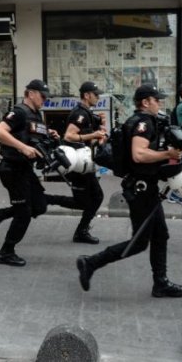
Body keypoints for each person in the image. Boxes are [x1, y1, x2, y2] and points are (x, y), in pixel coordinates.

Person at [77, 84, 182, 298]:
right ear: (146, 102)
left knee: (160, 235)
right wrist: (168, 154)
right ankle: (90, 263)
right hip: (141, 189)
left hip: (146, 186)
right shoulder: (143, 123)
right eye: (157, 99)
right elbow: (139, 155)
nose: (160, 103)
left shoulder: (141, 121)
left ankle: (160, 282)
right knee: (139, 243)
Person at [0, 79, 59, 267]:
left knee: (40, 206)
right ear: (31, 93)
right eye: (43, 96)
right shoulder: (18, 112)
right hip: (12, 168)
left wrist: (49, 133)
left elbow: (32, 136)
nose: (45, 100)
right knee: (24, 213)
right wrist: (22, 147)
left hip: (25, 169)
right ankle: (6, 252)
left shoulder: (36, 115)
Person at [45, 81, 107, 244]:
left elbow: (92, 138)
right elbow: (69, 136)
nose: (98, 97)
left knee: (96, 197)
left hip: (85, 162)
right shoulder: (79, 113)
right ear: (86, 95)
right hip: (77, 163)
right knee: (84, 201)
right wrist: (93, 135)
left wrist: (101, 128)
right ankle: (46, 199)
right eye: (96, 94)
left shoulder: (88, 113)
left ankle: (82, 230)